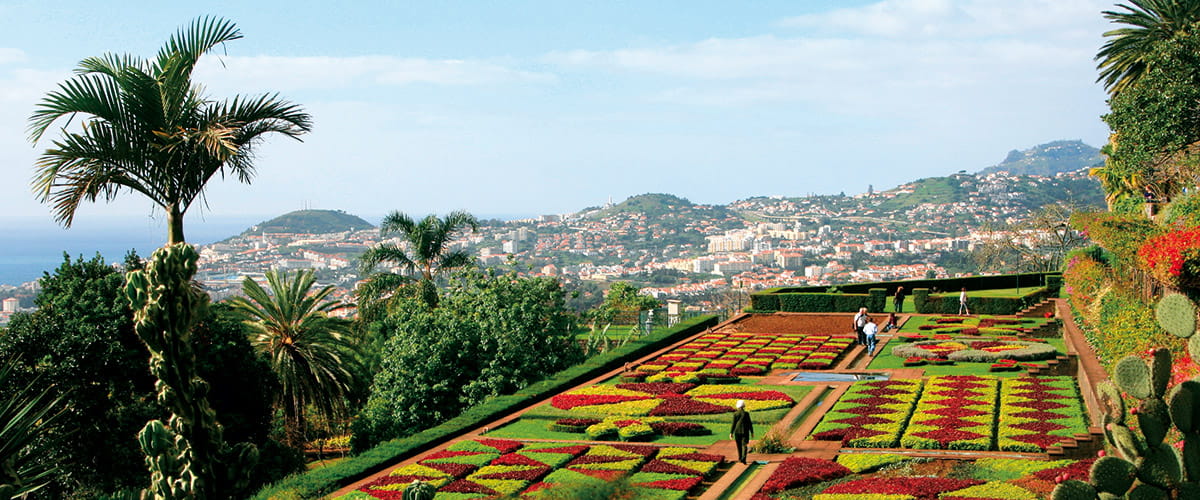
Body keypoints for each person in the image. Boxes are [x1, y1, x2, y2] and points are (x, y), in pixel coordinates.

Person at [730, 400, 753, 464]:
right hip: (745, 432)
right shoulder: (746, 414)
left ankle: (740, 458)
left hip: (737, 432)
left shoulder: (735, 414)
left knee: (738, 446)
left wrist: (731, 432)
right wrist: (752, 431)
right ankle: (744, 458)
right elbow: (749, 423)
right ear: (743, 406)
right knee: (744, 445)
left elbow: (733, 424)